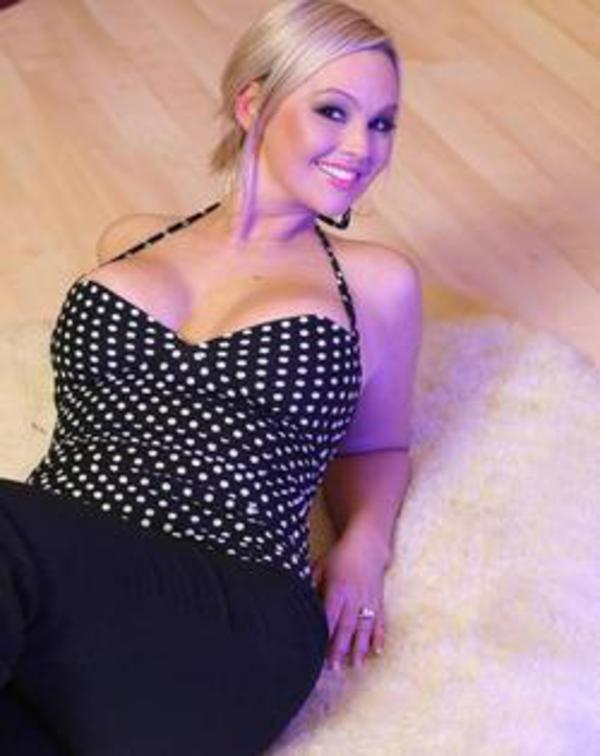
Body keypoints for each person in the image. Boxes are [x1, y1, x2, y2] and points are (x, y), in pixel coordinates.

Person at [0, 0, 420, 753]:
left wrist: (365, 545)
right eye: (333, 111)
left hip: (231, 612)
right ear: (253, 104)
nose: (363, 147)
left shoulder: (376, 283)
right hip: (64, 607)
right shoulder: (132, 242)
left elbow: (379, 445)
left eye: (382, 123)